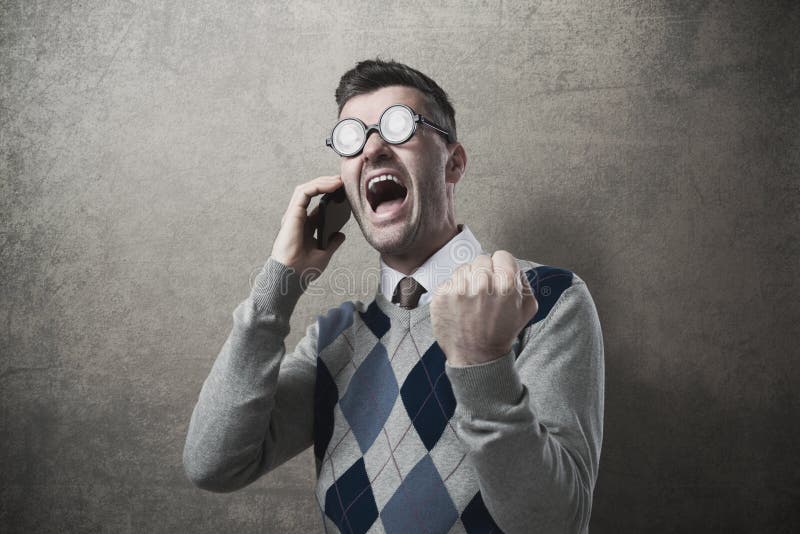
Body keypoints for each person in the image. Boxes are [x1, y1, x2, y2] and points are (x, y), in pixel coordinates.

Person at [183, 59, 605, 534]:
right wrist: (278, 285)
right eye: (352, 137)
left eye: (398, 126)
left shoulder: (547, 300)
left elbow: (555, 524)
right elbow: (213, 464)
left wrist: (483, 362)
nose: (373, 148)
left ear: (454, 162)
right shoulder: (333, 338)